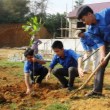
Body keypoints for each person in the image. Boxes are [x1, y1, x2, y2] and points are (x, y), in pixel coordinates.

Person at [76, 6, 110, 97]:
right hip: (106, 43)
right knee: (100, 64)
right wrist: (103, 56)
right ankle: (97, 91)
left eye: (83, 19)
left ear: (89, 14)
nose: (84, 22)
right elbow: (100, 43)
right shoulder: (90, 31)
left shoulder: (107, 13)